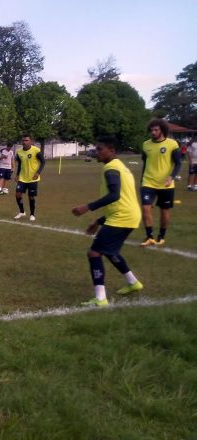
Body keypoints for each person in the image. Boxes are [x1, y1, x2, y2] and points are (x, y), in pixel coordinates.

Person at [72, 136, 143, 307]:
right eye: (96, 149)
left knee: (94, 253)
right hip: (129, 215)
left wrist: (87, 207)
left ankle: (100, 298)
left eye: (100, 149)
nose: (97, 153)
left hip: (122, 217)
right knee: (110, 251)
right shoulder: (121, 167)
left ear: (111, 151)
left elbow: (114, 195)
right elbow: (123, 199)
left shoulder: (111, 168)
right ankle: (133, 283)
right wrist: (99, 221)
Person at [138, 118, 182, 247]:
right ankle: (149, 236)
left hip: (166, 184)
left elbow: (178, 163)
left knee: (164, 211)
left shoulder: (172, 144)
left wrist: (171, 177)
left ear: (162, 130)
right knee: (145, 208)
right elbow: (145, 163)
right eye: (151, 130)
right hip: (148, 182)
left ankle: (161, 236)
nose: (153, 132)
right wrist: (142, 180)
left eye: (156, 130)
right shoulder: (146, 145)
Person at [13, 134, 45, 221]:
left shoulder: (36, 150)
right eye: (23, 140)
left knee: (31, 197)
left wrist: (38, 173)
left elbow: (43, 162)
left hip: (33, 178)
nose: (24, 142)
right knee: (18, 194)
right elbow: (20, 165)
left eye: (26, 140)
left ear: (30, 141)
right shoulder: (19, 152)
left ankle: (32, 214)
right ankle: (22, 212)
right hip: (23, 178)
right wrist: (17, 175)